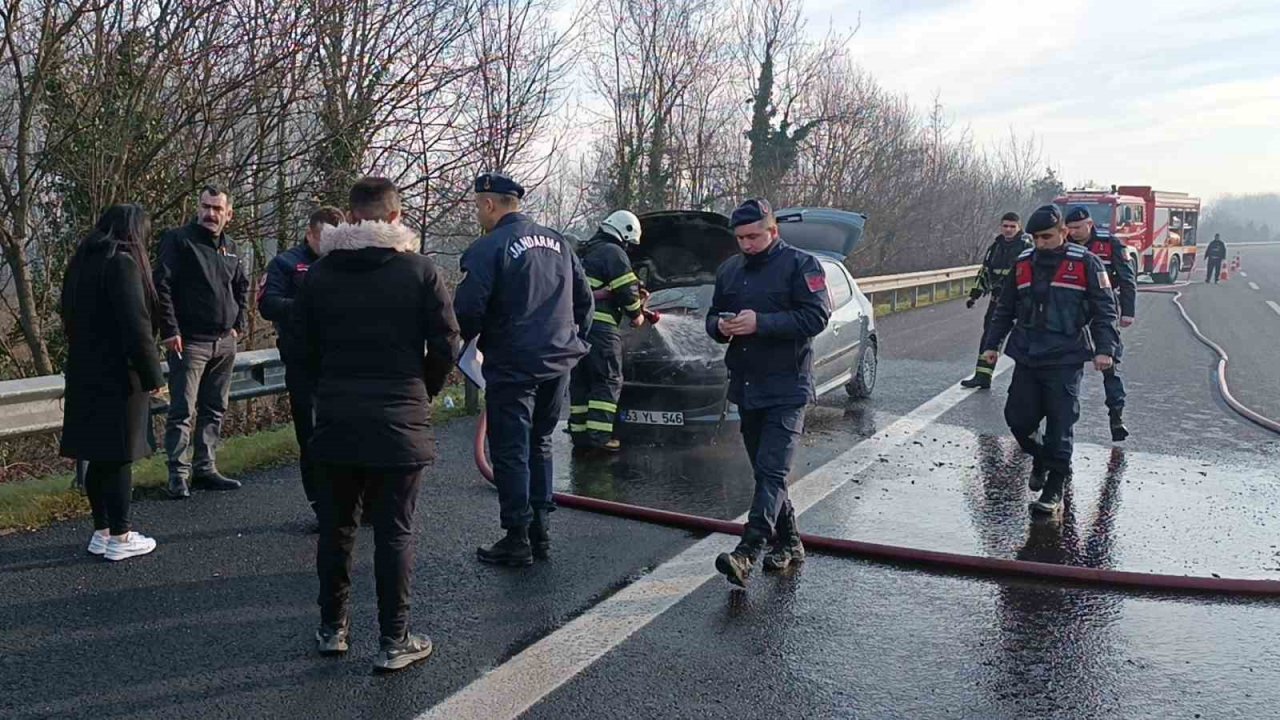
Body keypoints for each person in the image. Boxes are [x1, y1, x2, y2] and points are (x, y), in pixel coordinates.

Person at [295, 177, 459, 672]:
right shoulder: (419, 271)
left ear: (349, 218)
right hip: (399, 420)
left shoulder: (320, 276)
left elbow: (299, 350)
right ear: (393, 218)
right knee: (394, 532)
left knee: (337, 528)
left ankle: (333, 628)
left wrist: (326, 390)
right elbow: (447, 344)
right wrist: (423, 388)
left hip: (338, 420)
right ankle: (394, 639)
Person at [454, 172, 593, 566]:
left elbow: (467, 309)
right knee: (541, 442)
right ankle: (540, 533)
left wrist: (467, 345)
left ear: (489, 204)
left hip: (514, 364)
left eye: (478, 206)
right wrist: (575, 343)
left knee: (511, 448)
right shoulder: (559, 243)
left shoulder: (489, 247)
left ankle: (517, 537)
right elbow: (585, 302)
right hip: (558, 362)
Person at [706, 198, 831, 587]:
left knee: (773, 470)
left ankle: (748, 551)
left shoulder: (800, 265)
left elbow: (816, 316)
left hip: (787, 385)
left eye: (754, 236)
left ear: (773, 231)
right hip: (746, 384)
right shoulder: (729, 270)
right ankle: (790, 542)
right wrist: (720, 328)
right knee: (765, 472)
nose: (747, 244)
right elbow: (713, 315)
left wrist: (761, 323)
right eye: (740, 238)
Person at [982, 205, 1120, 517]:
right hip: (1027, 353)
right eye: (1036, 237)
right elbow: (1005, 309)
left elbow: (1104, 311)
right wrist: (992, 345)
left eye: (1047, 236)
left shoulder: (1086, 263)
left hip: (1065, 356)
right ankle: (1043, 458)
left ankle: (1054, 486)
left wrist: (1105, 349)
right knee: (1018, 418)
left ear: (1063, 232)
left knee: (1060, 423)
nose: (1041, 243)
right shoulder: (1022, 264)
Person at [60, 204, 166, 562]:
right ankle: (120, 535)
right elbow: (136, 327)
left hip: (84, 372)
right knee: (120, 454)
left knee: (98, 455)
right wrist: (154, 376)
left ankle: (101, 531)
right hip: (119, 376)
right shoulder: (122, 263)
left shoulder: (82, 262)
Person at [154, 185, 250, 498]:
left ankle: (205, 468)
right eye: (206, 207)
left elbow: (241, 286)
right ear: (198, 208)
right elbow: (162, 286)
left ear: (228, 214)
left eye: (217, 209)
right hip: (189, 342)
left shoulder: (232, 246)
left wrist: (240, 323)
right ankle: (178, 475)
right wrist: (170, 330)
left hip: (224, 342)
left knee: (215, 408)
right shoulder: (179, 240)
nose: (210, 214)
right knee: (182, 410)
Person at [258, 206, 344, 522]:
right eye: (325, 238)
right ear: (310, 234)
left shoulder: (346, 263)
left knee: (349, 433)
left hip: (342, 364)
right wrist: (307, 308)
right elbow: (267, 304)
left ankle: (355, 501)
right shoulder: (286, 263)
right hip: (304, 363)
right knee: (311, 438)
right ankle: (322, 507)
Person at [569, 210, 646, 451]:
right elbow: (626, 290)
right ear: (624, 233)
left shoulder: (585, 252)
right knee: (608, 378)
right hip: (601, 329)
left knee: (582, 381)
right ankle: (600, 438)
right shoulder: (613, 251)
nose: (629, 249)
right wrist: (637, 314)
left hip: (577, 330)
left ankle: (580, 435)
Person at [1066, 205, 1136, 441]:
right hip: (1072, 310)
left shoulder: (1110, 244)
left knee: (1109, 365)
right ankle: (1062, 422)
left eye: (1077, 228)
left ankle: (1116, 418)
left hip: (1103, 309)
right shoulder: (1063, 245)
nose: (1073, 232)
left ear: (1089, 224)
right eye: (1070, 228)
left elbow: (1127, 279)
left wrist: (1128, 312)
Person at [961, 212, 1030, 389]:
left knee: (1028, 339)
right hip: (999, 300)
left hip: (1022, 301)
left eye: (1012, 226)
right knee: (990, 337)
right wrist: (974, 295)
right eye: (1005, 226)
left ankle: (1031, 384)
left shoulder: (1027, 247)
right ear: (1001, 227)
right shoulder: (995, 247)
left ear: (1019, 227)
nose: (1008, 230)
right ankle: (983, 376)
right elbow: (985, 273)